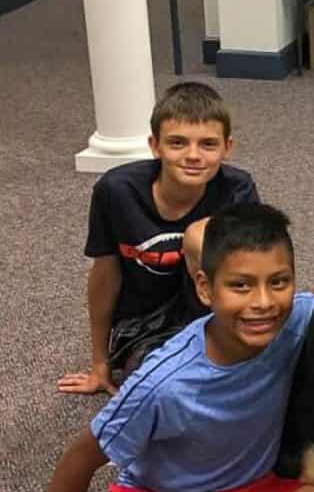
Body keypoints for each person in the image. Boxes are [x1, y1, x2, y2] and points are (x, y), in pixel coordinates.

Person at [2, 204, 314, 492]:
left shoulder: (296, 316)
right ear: (204, 287)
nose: (263, 302)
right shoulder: (162, 381)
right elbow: (81, 458)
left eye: (279, 282)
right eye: (241, 286)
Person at [58, 82, 259, 396]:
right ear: (155, 146)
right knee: (165, 390)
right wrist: (100, 363)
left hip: (212, 315)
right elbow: (104, 276)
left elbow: (248, 273)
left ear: (227, 147)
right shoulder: (116, 191)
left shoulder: (237, 189)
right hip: (143, 326)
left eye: (208, 144)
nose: (193, 155)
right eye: (177, 143)